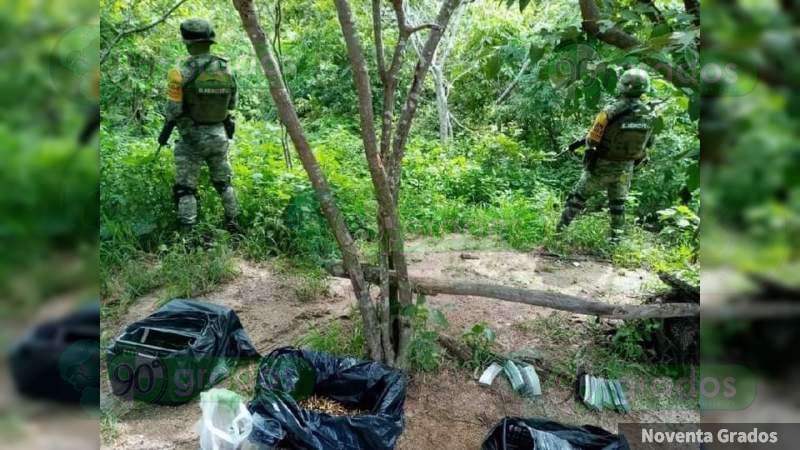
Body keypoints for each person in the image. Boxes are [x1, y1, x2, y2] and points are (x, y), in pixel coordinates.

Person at [160, 18, 240, 235]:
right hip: (219, 135)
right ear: (210, 41)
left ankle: (187, 235)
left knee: (186, 188)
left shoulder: (179, 72)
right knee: (224, 183)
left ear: (186, 42)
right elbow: (231, 105)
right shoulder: (226, 69)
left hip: (191, 138)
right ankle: (234, 224)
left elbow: (173, 111)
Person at [556, 68, 656, 241]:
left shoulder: (609, 112)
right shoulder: (651, 114)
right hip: (626, 168)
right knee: (618, 205)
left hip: (602, 165)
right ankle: (615, 241)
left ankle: (558, 233)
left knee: (576, 198)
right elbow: (649, 144)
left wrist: (588, 161)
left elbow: (593, 140)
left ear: (622, 86)